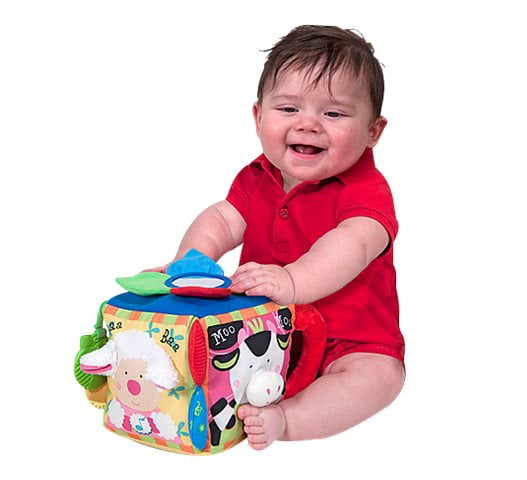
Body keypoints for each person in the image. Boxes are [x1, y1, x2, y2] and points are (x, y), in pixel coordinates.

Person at [151, 25, 405, 450]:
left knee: (380, 377)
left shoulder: (366, 190)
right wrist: (190, 262)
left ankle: (286, 418)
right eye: (288, 108)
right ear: (258, 117)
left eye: (334, 114)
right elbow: (222, 220)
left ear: (372, 132)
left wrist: (291, 281)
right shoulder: (256, 176)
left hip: (349, 342)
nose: (308, 125)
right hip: (261, 332)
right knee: (204, 340)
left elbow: (354, 243)